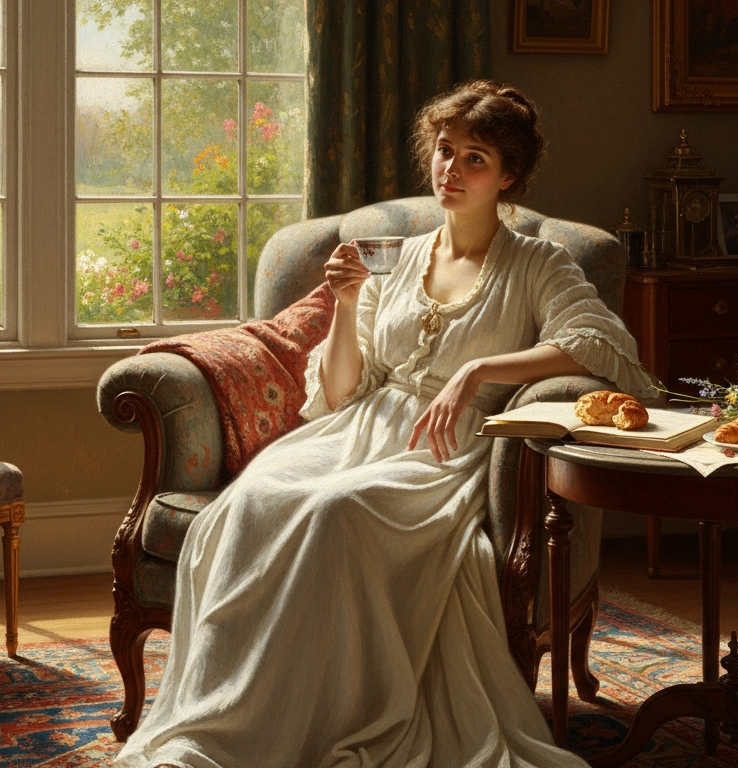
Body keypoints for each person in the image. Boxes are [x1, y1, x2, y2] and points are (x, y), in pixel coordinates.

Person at [115, 80, 656, 768]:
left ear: (509, 175)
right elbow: (340, 391)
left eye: (474, 159)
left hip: (447, 446)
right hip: (356, 429)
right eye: (444, 151)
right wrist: (346, 303)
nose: (449, 171)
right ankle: (230, 718)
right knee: (249, 502)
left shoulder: (537, 263)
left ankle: (319, 724)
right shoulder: (397, 260)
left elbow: (600, 344)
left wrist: (478, 373)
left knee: (336, 512)